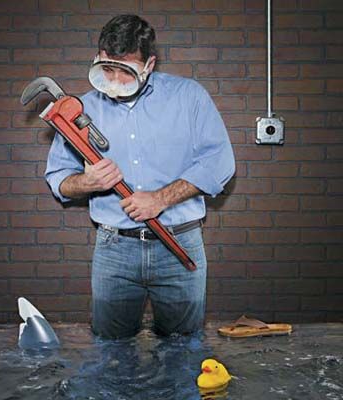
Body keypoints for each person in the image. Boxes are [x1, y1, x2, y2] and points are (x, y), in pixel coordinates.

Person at [45, 14, 235, 339]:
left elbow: (220, 164)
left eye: (127, 72)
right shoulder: (80, 111)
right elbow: (59, 179)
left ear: (149, 64)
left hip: (180, 240)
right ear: (97, 58)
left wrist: (160, 199)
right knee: (111, 350)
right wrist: (86, 182)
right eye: (107, 69)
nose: (116, 81)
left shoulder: (189, 97)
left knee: (182, 349)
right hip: (114, 248)